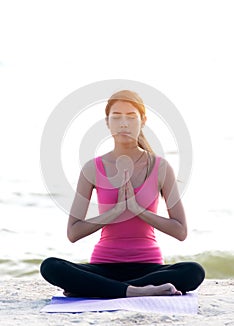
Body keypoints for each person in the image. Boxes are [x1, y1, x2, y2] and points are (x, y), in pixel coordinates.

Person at [40, 90, 205, 298]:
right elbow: (73, 233)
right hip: (103, 266)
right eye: (116, 117)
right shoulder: (93, 168)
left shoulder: (160, 168)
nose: (123, 123)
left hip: (149, 267)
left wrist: (138, 210)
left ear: (143, 120)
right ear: (107, 122)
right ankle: (135, 291)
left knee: (194, 271)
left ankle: (103, 289)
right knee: (50, 266)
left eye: (131, 116)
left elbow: (180, 231)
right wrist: (115, 211)